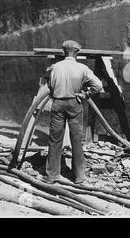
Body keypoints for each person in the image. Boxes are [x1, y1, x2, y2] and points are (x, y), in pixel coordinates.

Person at [44, 40, 102, 184]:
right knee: (76, 140)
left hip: (57, 103)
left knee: (55, 139)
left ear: (63, 52)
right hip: (74, 103)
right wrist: (86, 94)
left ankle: (52, 176)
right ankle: (78, 177)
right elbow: (98, 85)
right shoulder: (82, 68)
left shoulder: (54, 67)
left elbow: (49, 86)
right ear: (77, 53)